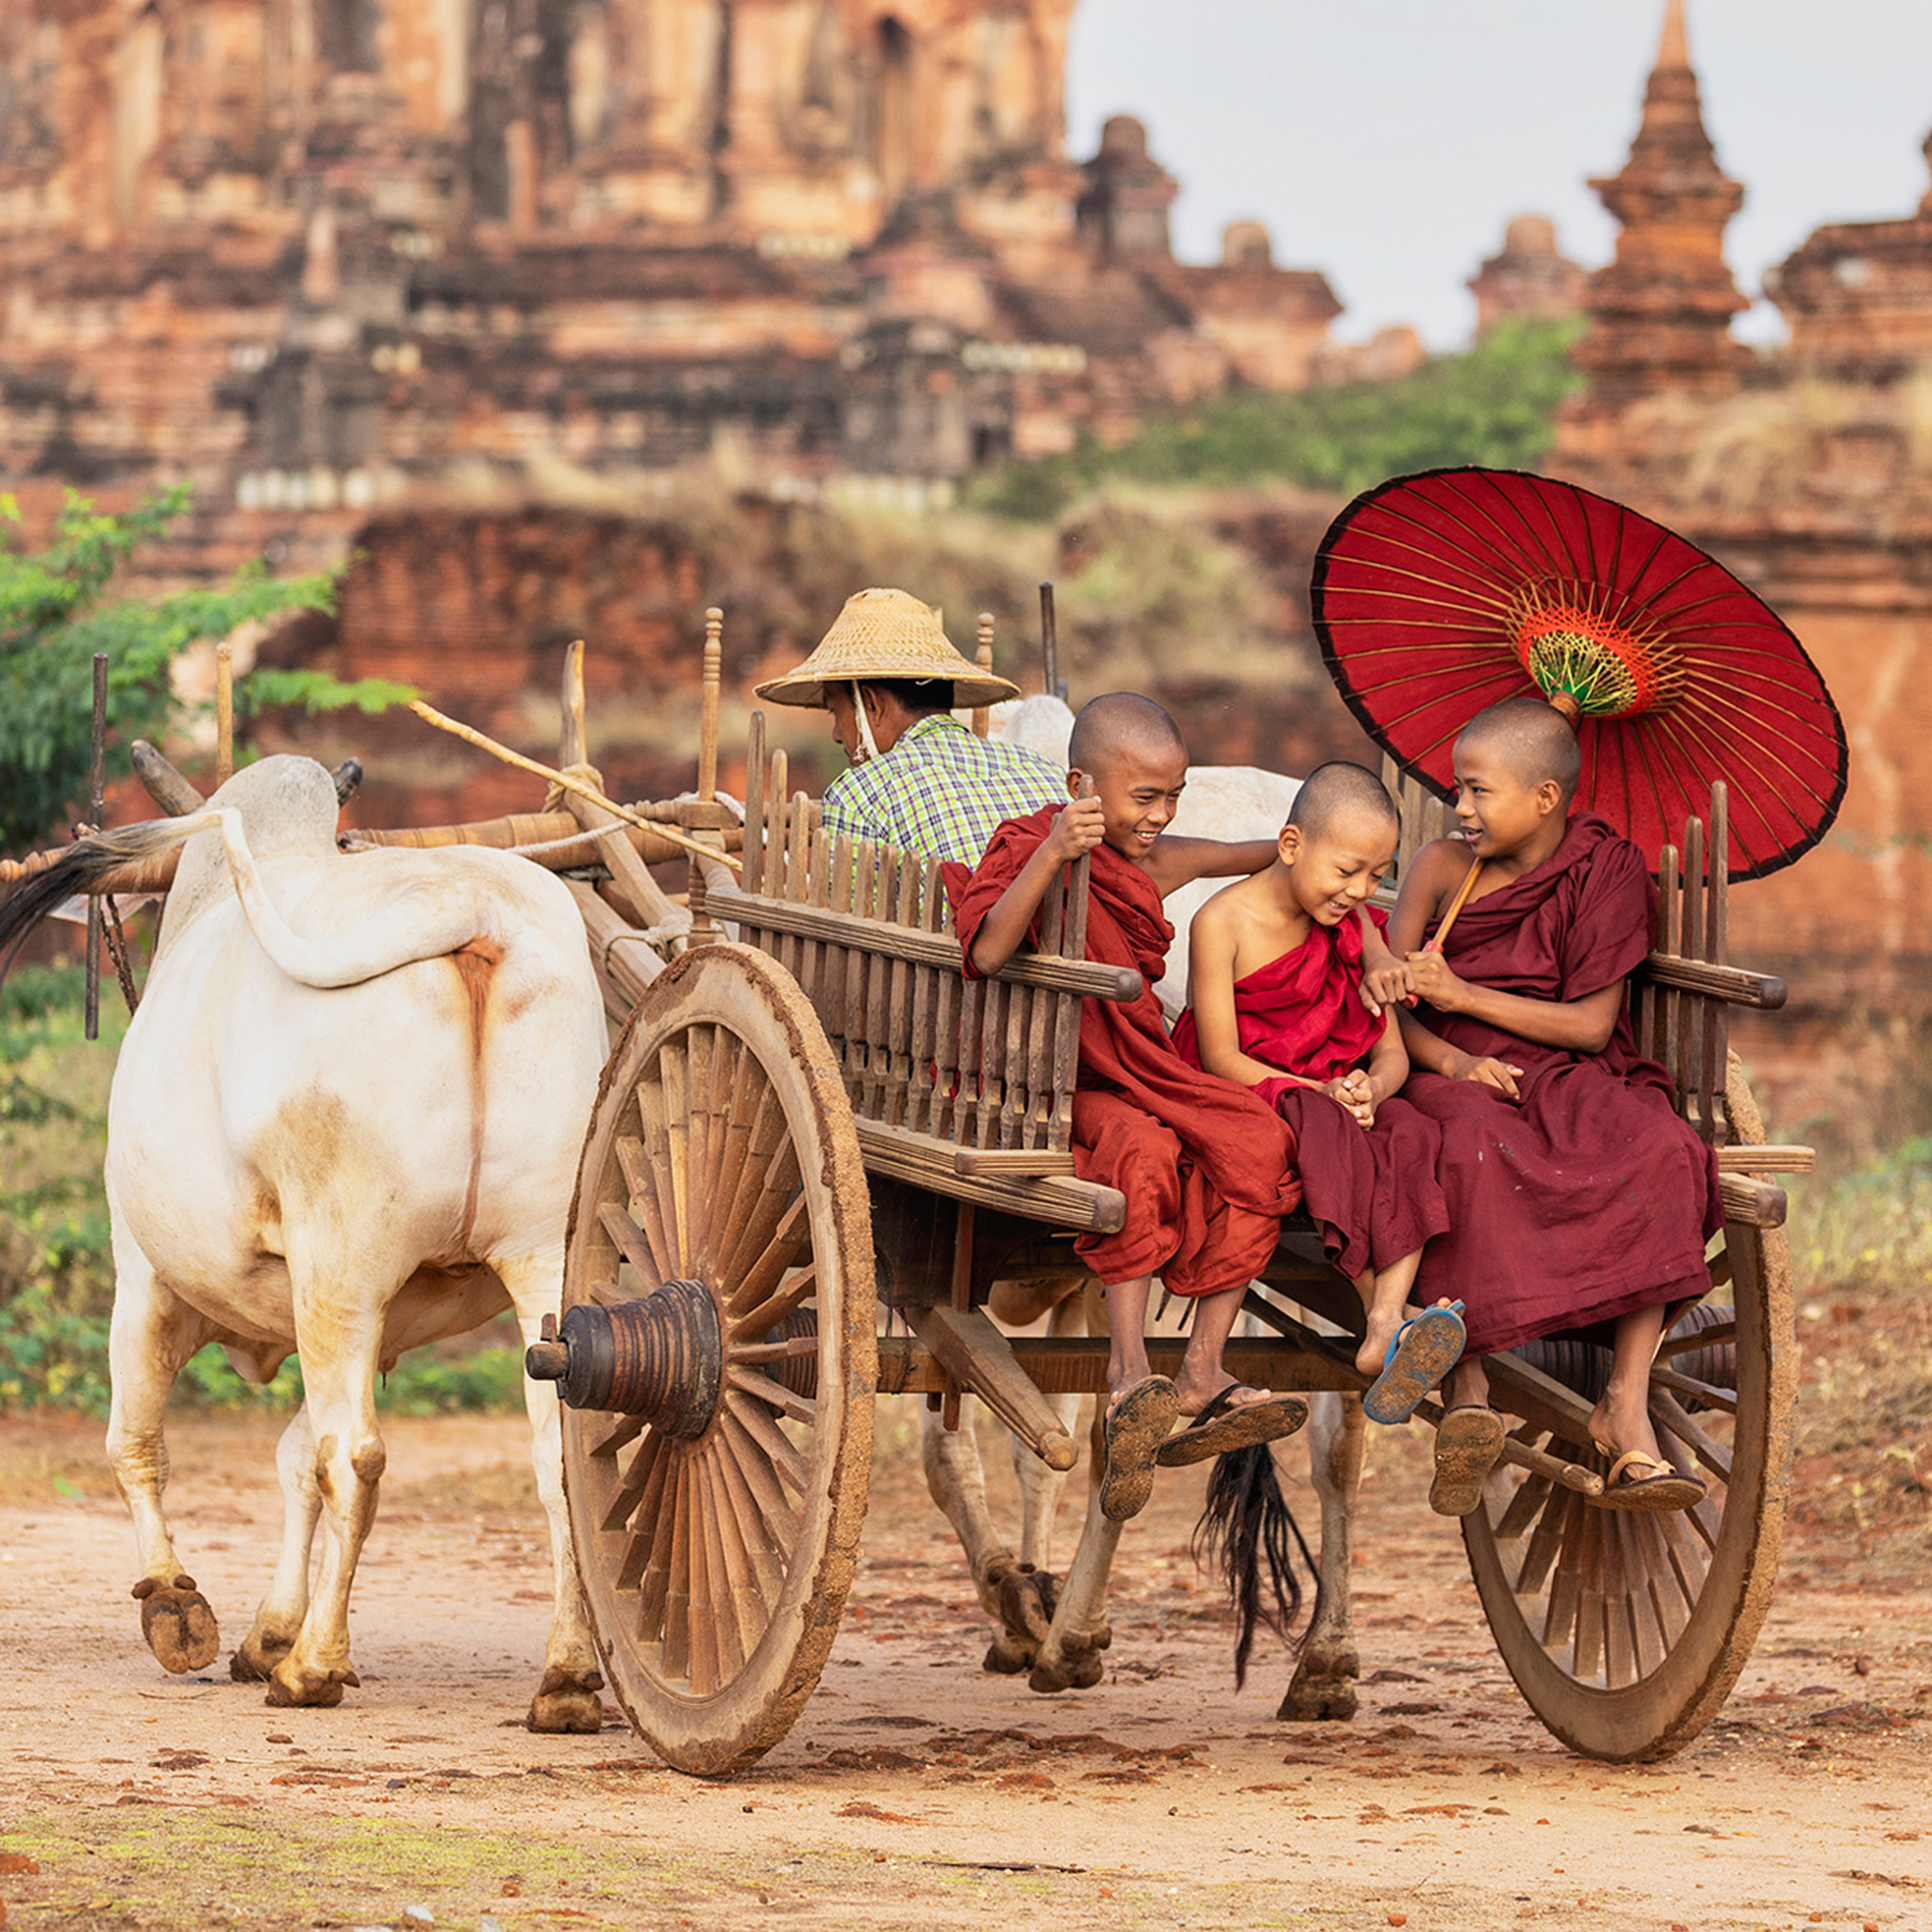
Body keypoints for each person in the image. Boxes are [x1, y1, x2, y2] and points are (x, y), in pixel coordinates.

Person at [947, 692, 1307, 1524]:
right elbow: (991, 950)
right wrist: (1052, 857)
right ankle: (1126, 1372)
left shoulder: (1158, 861)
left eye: (1172, 795)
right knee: (1141, 1151)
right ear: (1081, 785)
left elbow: (1247, 853)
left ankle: (1203, 1371)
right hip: (1056, 1089)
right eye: (1144, 798)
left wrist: (1313, 849)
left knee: (1258, 1137)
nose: (1161, 814)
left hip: (1146, 1067)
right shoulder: (1030, 847)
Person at [1364, 696, 1723, 1517]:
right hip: (1444, 1070)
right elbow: (1389, 1003)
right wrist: (1442, 1035)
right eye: (1458, 789)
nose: (1460, 808)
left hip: (1560, 1069)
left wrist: (1462, 989)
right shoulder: (1440, 869)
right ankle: (1469, 1381)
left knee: (1664, 1148)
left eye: (1479, 792)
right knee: (1466, 1145)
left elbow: (1593, 1027)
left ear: (1547, 798)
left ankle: (1623, 1402)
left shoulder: (1607, 870)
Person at [1174, 761, 1463, 1441]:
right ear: (1291, 845)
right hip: (1252, 1090)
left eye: (1375, 874)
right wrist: (1326, 1093)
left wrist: (1371, 1089)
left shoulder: (1357, 931)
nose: (1359, 891)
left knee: (1412, 1129)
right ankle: (1382, 1316)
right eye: (1346, 871)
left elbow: (1389, 1052)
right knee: (1318, 1121)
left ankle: (1384, 1323)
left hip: (1337, 1094)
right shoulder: (1223, 921)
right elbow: (1220, 1058)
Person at [753, 586, 1065, 862]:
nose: (836, 734)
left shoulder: (859, 795)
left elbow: (847, 924)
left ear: (872, 706)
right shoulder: (1046, 772)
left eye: (835, 712)